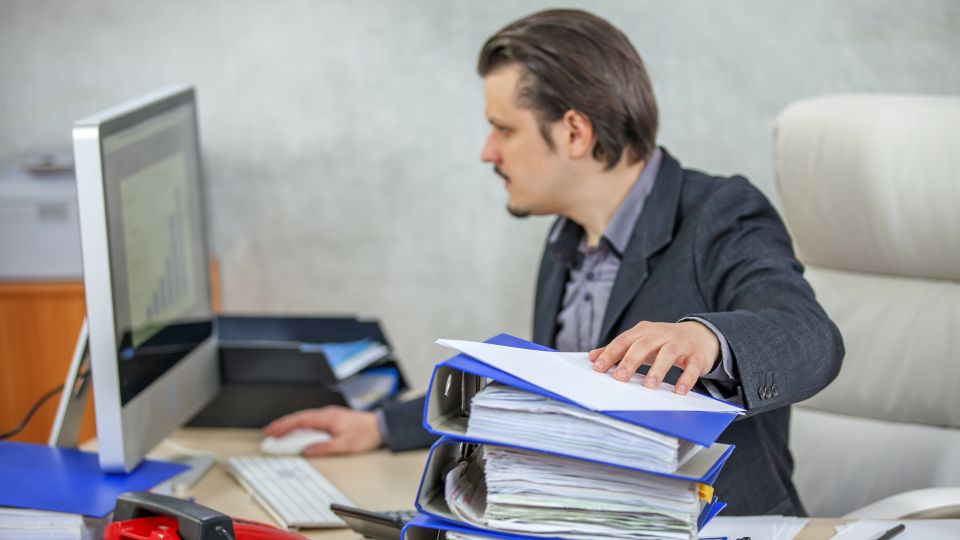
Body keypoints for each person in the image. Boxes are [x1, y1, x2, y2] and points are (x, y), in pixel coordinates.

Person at [265, 9, 843, 516]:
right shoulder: (567, 237)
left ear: (573, 131)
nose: (486, 152)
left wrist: (706, 338)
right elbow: (553, 384)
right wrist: (379, 426)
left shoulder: (720, 213)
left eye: (503, 129)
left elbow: (809, 335)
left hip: (715, 525)